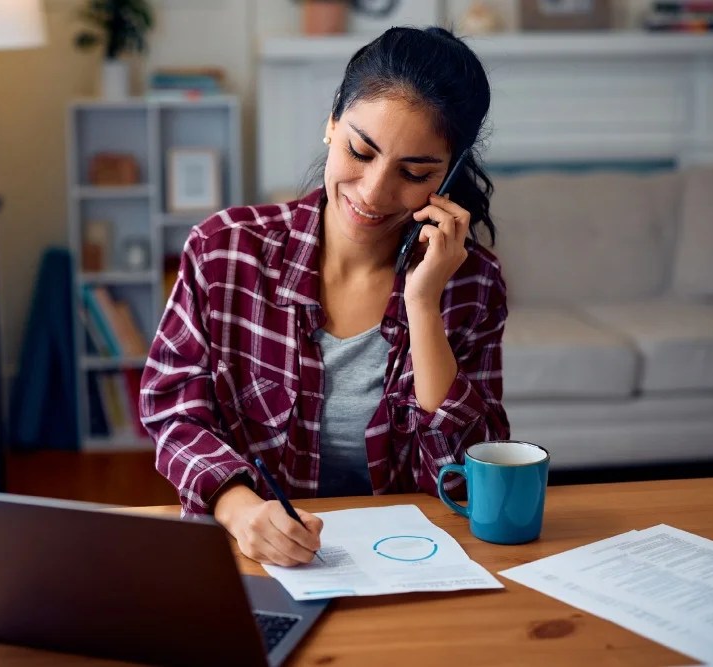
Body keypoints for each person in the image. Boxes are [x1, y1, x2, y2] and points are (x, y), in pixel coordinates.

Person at [139, 26, 509, 567]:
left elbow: (467, 480)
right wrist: (239, 508)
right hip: (251, 556)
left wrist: (423, 306)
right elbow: (172, 409)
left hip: (407, 562)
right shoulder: (224, 251)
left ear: (449, 174)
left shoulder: (472, 283)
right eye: (361, 151)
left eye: (414, 172)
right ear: (332, 121)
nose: (374, 193)